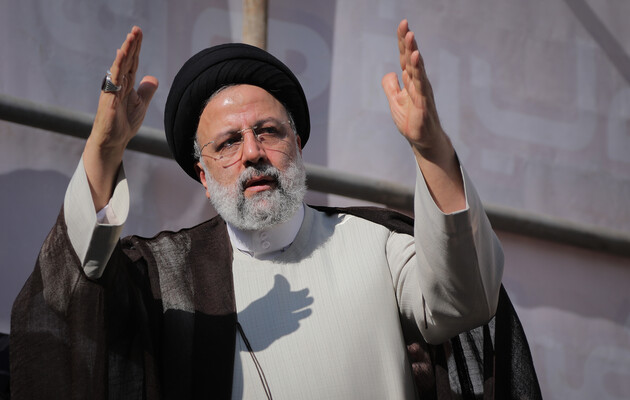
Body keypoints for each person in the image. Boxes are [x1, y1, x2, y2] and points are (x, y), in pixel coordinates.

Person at [10, 20, 514, 399]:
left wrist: (431, 149)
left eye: (269, 131)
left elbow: (466, 300)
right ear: (204, 176)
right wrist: (103, 151)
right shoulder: (167, 278)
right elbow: (74, 293)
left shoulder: (375, 244)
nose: (252, 152)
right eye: (228, 142)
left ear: (297, 145)